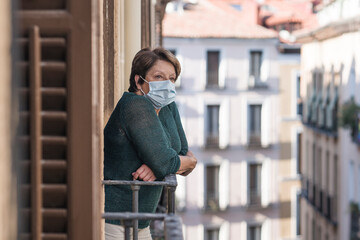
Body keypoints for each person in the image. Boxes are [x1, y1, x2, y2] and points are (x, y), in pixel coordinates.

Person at [104, 47, 197, 240]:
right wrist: (167, 163)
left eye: (171, 78)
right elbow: (171, 161)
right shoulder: (135, 105)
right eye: (158, 76)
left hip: (141, 220)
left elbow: (181, 149)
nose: (167, 83)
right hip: (116, 221)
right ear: (139, 81)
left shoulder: (167, 106)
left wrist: (158, 166)